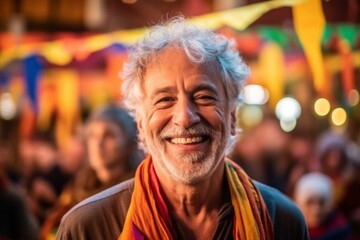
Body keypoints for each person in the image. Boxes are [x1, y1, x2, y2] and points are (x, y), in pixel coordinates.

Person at [56, 17, 309, 240]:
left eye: (204, 97)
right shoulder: (86, 228)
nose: (185, 118)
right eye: (164, 100)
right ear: (142, 124)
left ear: (232, 117)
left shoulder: (282, 222)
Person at [41, 105, 142, 239]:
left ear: (130, 144)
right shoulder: (75, 189)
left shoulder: (138, 193)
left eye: (109, 135)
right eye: (93, 135)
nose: (99, 143)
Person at [294, 172, 350, 240]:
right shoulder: (288, 231)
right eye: (309, 203)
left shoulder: (341, 230)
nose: (316, 210)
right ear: (298, 204)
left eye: (322, 202)